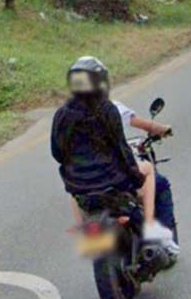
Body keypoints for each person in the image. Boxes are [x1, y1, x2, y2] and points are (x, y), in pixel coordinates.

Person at [51, 57, 174, 249]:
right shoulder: (108, 109)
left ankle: (86, 231)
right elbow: (121, 149)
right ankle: (150, 227)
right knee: (149, 170)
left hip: (79, 186)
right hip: (113, 181)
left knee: (75, 195)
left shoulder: (63, 114)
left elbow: (57, 153)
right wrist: (134, 176)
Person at [112, 98, 180, 254]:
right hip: (114, 174)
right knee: (160, 183)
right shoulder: (111, 108)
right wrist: (163, 129)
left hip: (87, 186)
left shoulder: (69, 116)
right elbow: (148, 126)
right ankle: (155, 233)